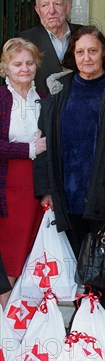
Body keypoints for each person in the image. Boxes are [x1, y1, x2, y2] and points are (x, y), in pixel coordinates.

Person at [34, 26, 105, 325]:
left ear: (104, 54)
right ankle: (82, 325)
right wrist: (46, 190)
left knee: (102, 269)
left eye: (92, 50)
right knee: (78, 267)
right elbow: (44, 143)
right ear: (73, 56)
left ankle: (100, 329)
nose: (86, 57)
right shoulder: (59, 90)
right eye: (80, 52)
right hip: (66, 196)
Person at [0, 38, 46, 308]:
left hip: (36, 185)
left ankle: (21, 317)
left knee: (29, 250)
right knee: (9, 251)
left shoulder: (46, 98)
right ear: (6, 68)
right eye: (17, 64)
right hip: (7, 184)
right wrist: (28, 149)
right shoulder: (2, 98)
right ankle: (5, 317)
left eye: (29, 63)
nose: (24, 68)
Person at [20, 0, 81, 94]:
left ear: (67, 7)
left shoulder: (86, 35)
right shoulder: (24, 40)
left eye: (57, 4)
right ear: (38, 11)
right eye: (45, 5)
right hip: (41, 109)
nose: (51, 11)